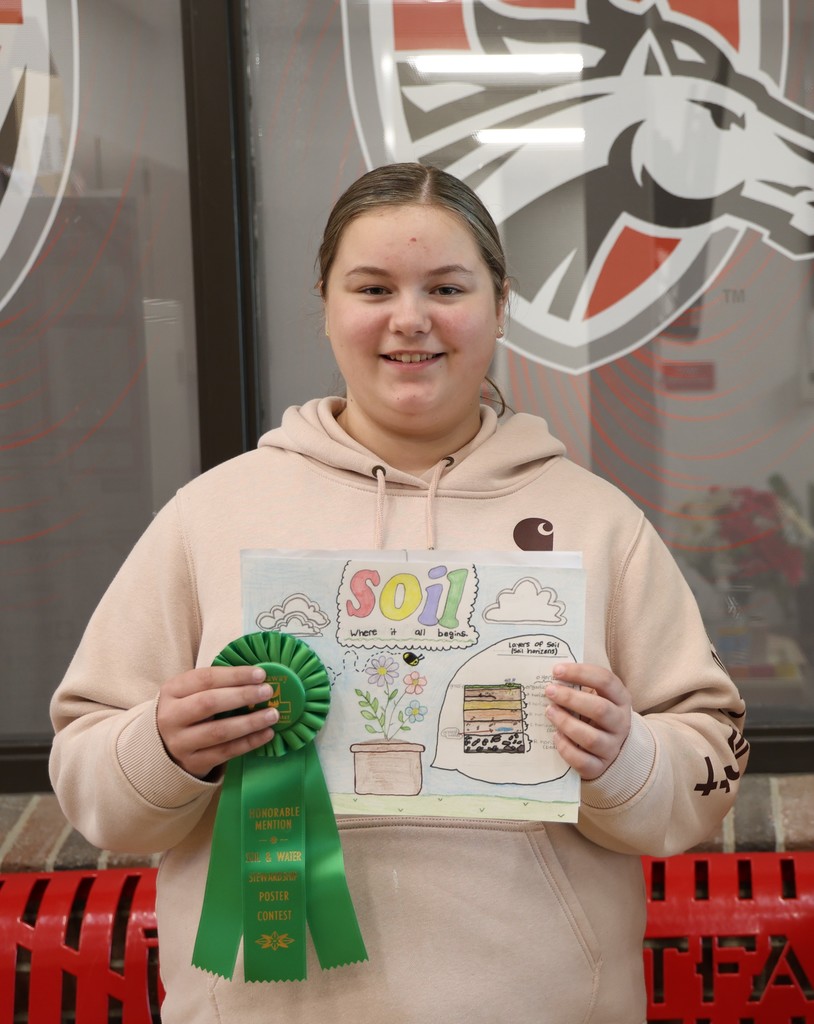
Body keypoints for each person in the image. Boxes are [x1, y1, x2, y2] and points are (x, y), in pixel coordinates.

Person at [50, 162, 748, 1023]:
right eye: (372, 286)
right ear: (327, 304)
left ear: (499, 302)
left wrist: (629, 757)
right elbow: (87, 777)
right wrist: (163, 744)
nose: (409, 319)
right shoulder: (210, 516)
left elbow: (713, 767)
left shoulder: (600, 524)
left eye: (446, 287)